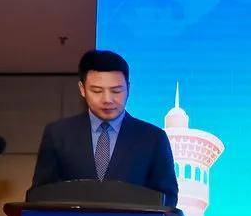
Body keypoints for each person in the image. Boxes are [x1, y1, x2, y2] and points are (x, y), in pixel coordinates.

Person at [30, 49, 180, 206]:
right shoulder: (58, 134)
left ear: (128, 88)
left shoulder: (153, 138)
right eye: (97, 91)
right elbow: (41, 194)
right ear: (82, 89)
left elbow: (167, 198)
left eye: (116, 91)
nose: (107, 99)